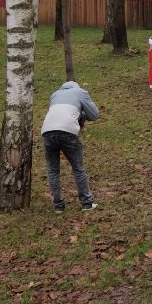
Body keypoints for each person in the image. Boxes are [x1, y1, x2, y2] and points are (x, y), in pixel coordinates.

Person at [41, 80, 101, 212]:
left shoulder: (54, 95)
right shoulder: (81, 92)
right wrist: (82, 116)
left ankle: (58, 206)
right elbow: (95, 114)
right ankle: (87, 203)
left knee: (52, 170)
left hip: (47, 131)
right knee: (78, 168)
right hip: (67, 132)